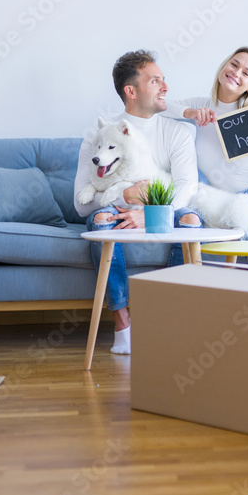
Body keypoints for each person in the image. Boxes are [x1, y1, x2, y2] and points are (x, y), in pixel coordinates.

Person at [73, 50, 202, 355]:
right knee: (101, 220)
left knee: (191, 220)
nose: (165, 87)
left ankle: (165, 316)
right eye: (155, 81)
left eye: (163, 80)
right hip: (115, 211)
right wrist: (127, 196)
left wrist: (154, 214)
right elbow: (81, 205)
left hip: (165, 208)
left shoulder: (178, 132)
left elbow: (188, 186)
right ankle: (123, 323)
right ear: (131, 91)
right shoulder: (99, 136)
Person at [162, 46, 248, 269]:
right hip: (237, 204)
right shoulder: (200, 106)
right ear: (224, 66)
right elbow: (156, 106)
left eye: (246, 73)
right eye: (234, 64)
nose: (236, 73)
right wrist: (188, 113)